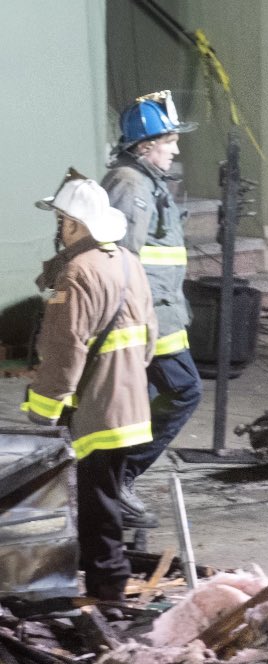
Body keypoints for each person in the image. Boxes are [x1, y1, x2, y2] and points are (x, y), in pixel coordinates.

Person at [22, 169, 158, 602]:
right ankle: (96, 580)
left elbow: (65, 353)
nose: (59, 229)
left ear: (77, 225)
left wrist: (41, 414)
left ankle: (107, 593)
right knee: (101, 500)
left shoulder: (78, 273)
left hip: (96, 413)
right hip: (131, 408)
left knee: (98, 508)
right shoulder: (128, 263)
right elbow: (150, 340)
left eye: (62, 220)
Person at [102, 90, 203, 529]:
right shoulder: (131, 184)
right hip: (146, 315)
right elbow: (120, 257)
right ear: (146, 145)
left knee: (145, 401)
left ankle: (106, 485)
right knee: (182, 390)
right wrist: (131, 321)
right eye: (169, 141)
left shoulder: (144, 181)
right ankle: (116, 483)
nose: (176, 148)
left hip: (162, 310)